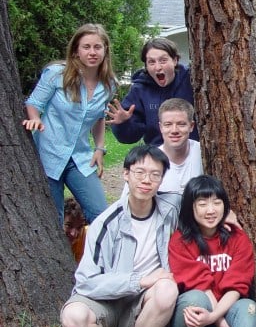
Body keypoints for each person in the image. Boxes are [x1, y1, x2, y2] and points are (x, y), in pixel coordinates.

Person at [59, 144, 180, 327]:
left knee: (168, 288)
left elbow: (207, 204)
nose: (147, 180)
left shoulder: (171, 207)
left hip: (141, 303)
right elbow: (85, 282)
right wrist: (139, 280)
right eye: (139, 172)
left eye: (155, 174)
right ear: (126, 174)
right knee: (73, 319)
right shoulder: (107, 221)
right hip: (104, 301)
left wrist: (229, 217)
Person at [150, 175, 256, 327]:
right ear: (191, 207)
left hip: (226, 308)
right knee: (194, 298)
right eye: (202, 203)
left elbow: (236, 286)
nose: (211, 210)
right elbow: (201, 284)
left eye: (217, 202)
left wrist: (218, 318)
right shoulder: (180, 241)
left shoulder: (238, 239)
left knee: (248, 306)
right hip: (196, 317)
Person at [23, 23, 117, 227]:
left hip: (79, 158)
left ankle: (99, 258)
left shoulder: (109, 85)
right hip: (48, 154)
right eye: (86, 47)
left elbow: (99, 117)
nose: (92, 52)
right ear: (76, 50)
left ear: (105, 50)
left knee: (102, 216)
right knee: (52, 221)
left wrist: (100, 148)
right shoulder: (56, 74)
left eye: (97, 47)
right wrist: (36, 118)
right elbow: (33, 103)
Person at [107, 37, 197, 146]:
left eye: (163, 60)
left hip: (193, 152)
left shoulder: (192, 80)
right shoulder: (139, 90)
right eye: (151, 62)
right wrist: (123, 124)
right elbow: (129, 137)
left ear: (175, 60)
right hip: (158, 156)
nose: (158, 67)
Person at [120, 98, 203, 199]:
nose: (174, 130)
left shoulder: (204, 152)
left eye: (181, 124)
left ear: (191, 126)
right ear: (160, 127)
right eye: (168, 124)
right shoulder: (148, 160)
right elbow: (127, 202)